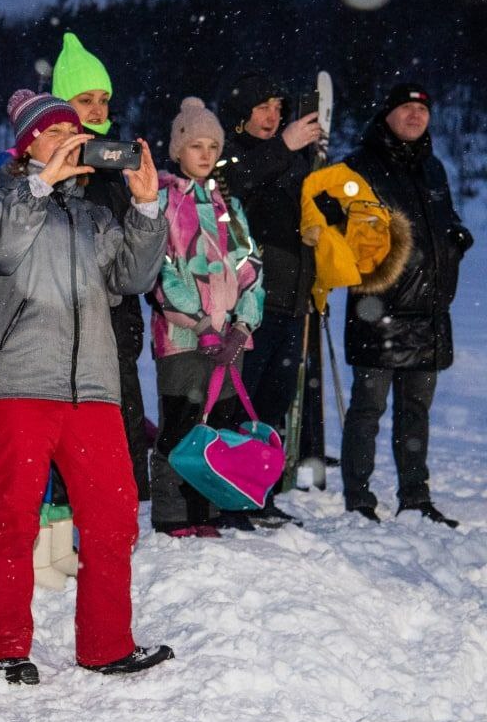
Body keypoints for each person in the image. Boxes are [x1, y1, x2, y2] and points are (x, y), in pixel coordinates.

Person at [0, 91, 172, 684]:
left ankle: (106, 645)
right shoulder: (0, 197)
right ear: (29, 143)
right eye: (56, 132)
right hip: (17, 383)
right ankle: (4, 644)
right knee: (14, 517)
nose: (71, 142)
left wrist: (146, 207)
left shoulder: (94, 214)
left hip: (93, 388)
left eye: (76, 134)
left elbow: (134, 277)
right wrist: (37, 187)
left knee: (113, 517)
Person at [337, 84, 472, 526]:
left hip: (429, 313)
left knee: (415, 413)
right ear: (388, 114)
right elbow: (336, 225)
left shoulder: (433, 168)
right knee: (368, 410)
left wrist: (454, 237)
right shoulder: (361, 166)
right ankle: (358, 499)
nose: (416, 116)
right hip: (378, 311)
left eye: (422, 109)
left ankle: (415, 498)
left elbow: (443, 219)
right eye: (406, 108)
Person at [149, 98, 265, 536]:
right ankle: (173, 513)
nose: (204, 154)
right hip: (183, 340)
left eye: (212, 146)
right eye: (195, 144)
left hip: (230, 341)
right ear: (178, 148)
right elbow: (162, 270)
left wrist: (241, 324)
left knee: (219, 426)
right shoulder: (163, 200)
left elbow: (250, 268)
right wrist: (201, 324)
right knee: (182, 423)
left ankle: (207, 512)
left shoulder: (227, 205)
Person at [53, 32, 152, 499]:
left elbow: (140, 243)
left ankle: (128, 500)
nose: (96, 109)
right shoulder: (48, 164)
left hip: (120, 312)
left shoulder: (119, 157)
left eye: (103, 99)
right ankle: (74, 507)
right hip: (69, 313)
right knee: (74, 421)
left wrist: (144, 197)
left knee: (124, 410)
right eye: (84, 99)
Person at [221, 72, 320, 527]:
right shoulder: (227, 152)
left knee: (273, 406)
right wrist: (285, 145)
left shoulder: (295, 158)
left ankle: (259, 493)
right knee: (240, 402)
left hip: (293, 299)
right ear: (242, 115)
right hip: (251, 304)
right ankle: (229, 495)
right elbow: (236, 184)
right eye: (263, 108)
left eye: (278, 108)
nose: (273, 117)